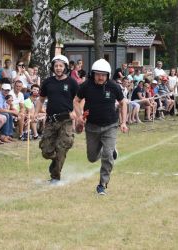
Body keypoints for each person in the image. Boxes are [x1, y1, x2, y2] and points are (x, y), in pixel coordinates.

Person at [74, 59, 128, 195]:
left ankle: (102, 184)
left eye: (103, 75)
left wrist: (123, 122)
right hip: (92, 126)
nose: (100, 77)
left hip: (110, 125)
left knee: (108, 155)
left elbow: (123, 103)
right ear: (93, 74)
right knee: (92, 157)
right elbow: (76, 100)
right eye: (98, 74)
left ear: (108, 75)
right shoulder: (86, 85)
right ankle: (108, 150)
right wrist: (80, 116)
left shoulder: (114, 86)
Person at [34, 55, 79, 183]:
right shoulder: (48, 82)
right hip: (50, 120)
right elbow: (41, 99)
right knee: (46, 151)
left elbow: (79, 100)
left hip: (66, 120)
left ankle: (55, 177)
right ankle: (54, 161)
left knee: (62, 146)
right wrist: (35, 114)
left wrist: (77, 114)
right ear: (53, 67)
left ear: (65, 67)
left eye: (61, 66)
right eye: (56, 66)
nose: (58, 68)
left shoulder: (72, 82)